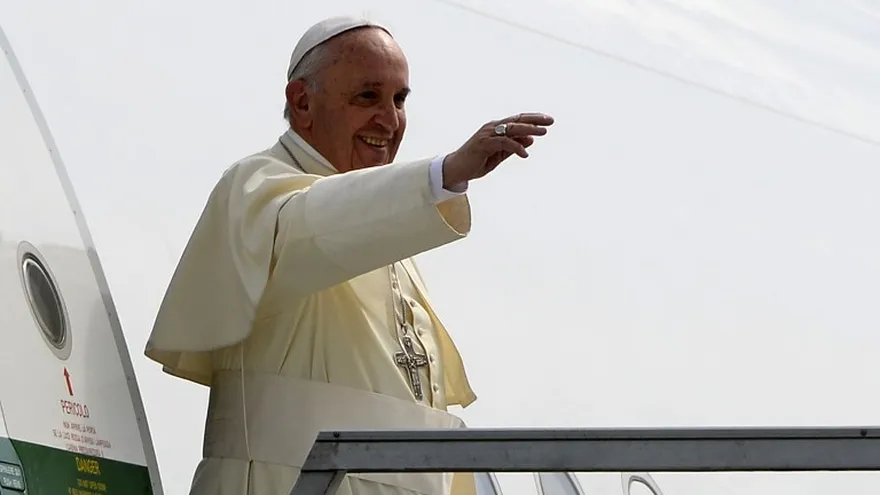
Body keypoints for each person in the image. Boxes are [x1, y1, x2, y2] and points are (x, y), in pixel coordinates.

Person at [144, 14, 553, 495]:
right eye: (367, 97)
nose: (390, 119)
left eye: (399, 100)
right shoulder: (257, 190)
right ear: (302, 103)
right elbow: (312, 226)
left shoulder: (385, 223)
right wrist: (444, 174)